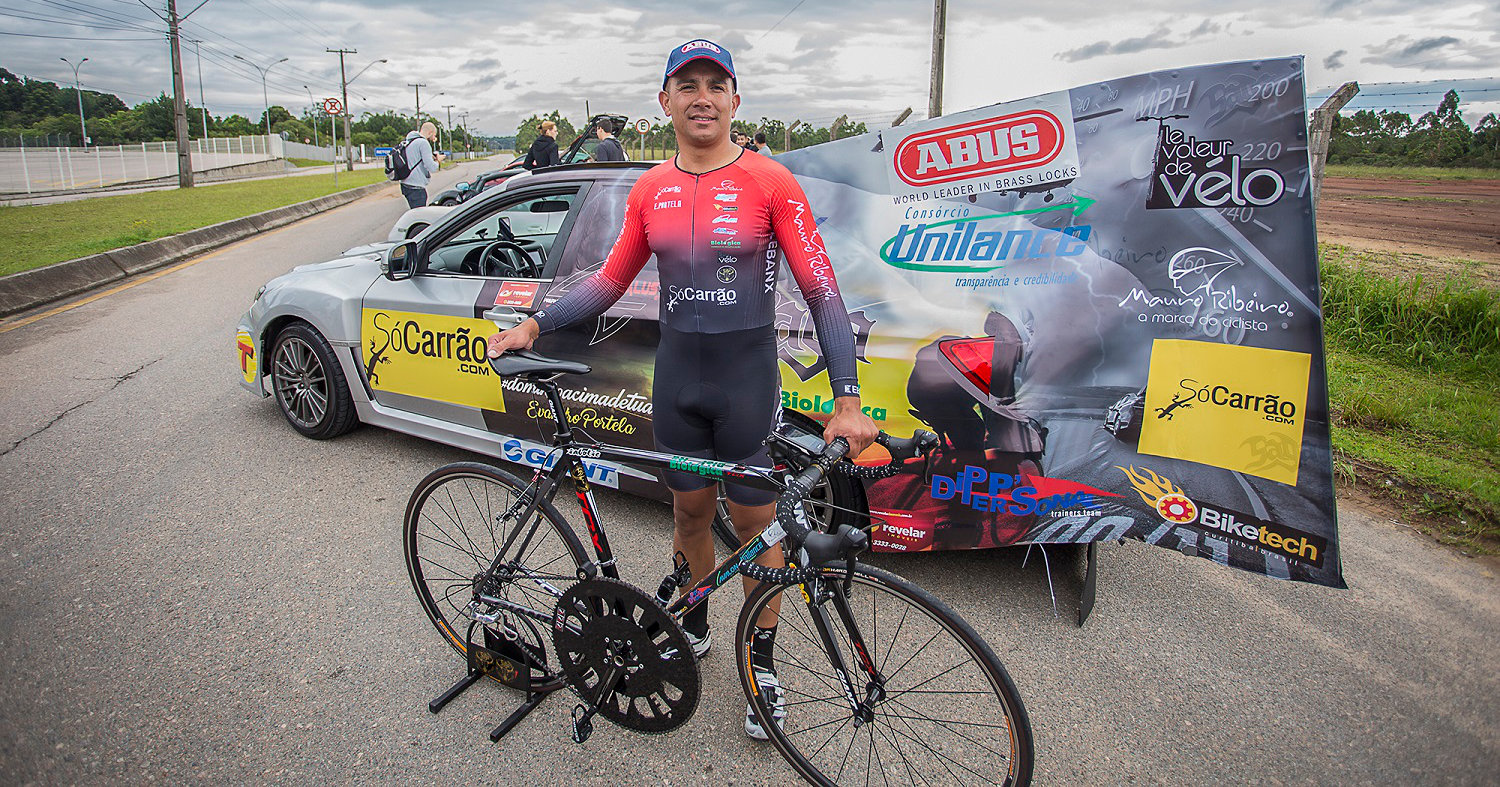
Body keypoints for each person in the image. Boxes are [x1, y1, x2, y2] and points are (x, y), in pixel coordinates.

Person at [487, 38, 878, 741]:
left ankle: (761, 665)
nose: (703, 96)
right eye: (687, 84)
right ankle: (693, 620)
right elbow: (609, 281)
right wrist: (536, 324)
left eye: (715, 84)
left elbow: (822, 292)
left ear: (735, 99)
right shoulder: (649, 189)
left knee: (760, 533)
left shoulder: (770, 181)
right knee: (689, 518)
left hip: (747, 384)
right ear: (663, 101)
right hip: (678, 386)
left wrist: (847, 398)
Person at [399, 121, 443, 209]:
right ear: (430, 132)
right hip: (416, 186)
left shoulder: (409, 141)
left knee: (414, 212)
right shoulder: (423, 143)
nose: (434, 138)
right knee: (419, 216)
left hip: (405, 184)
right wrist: (438, 161)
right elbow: (431, 167)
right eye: (434, 135)